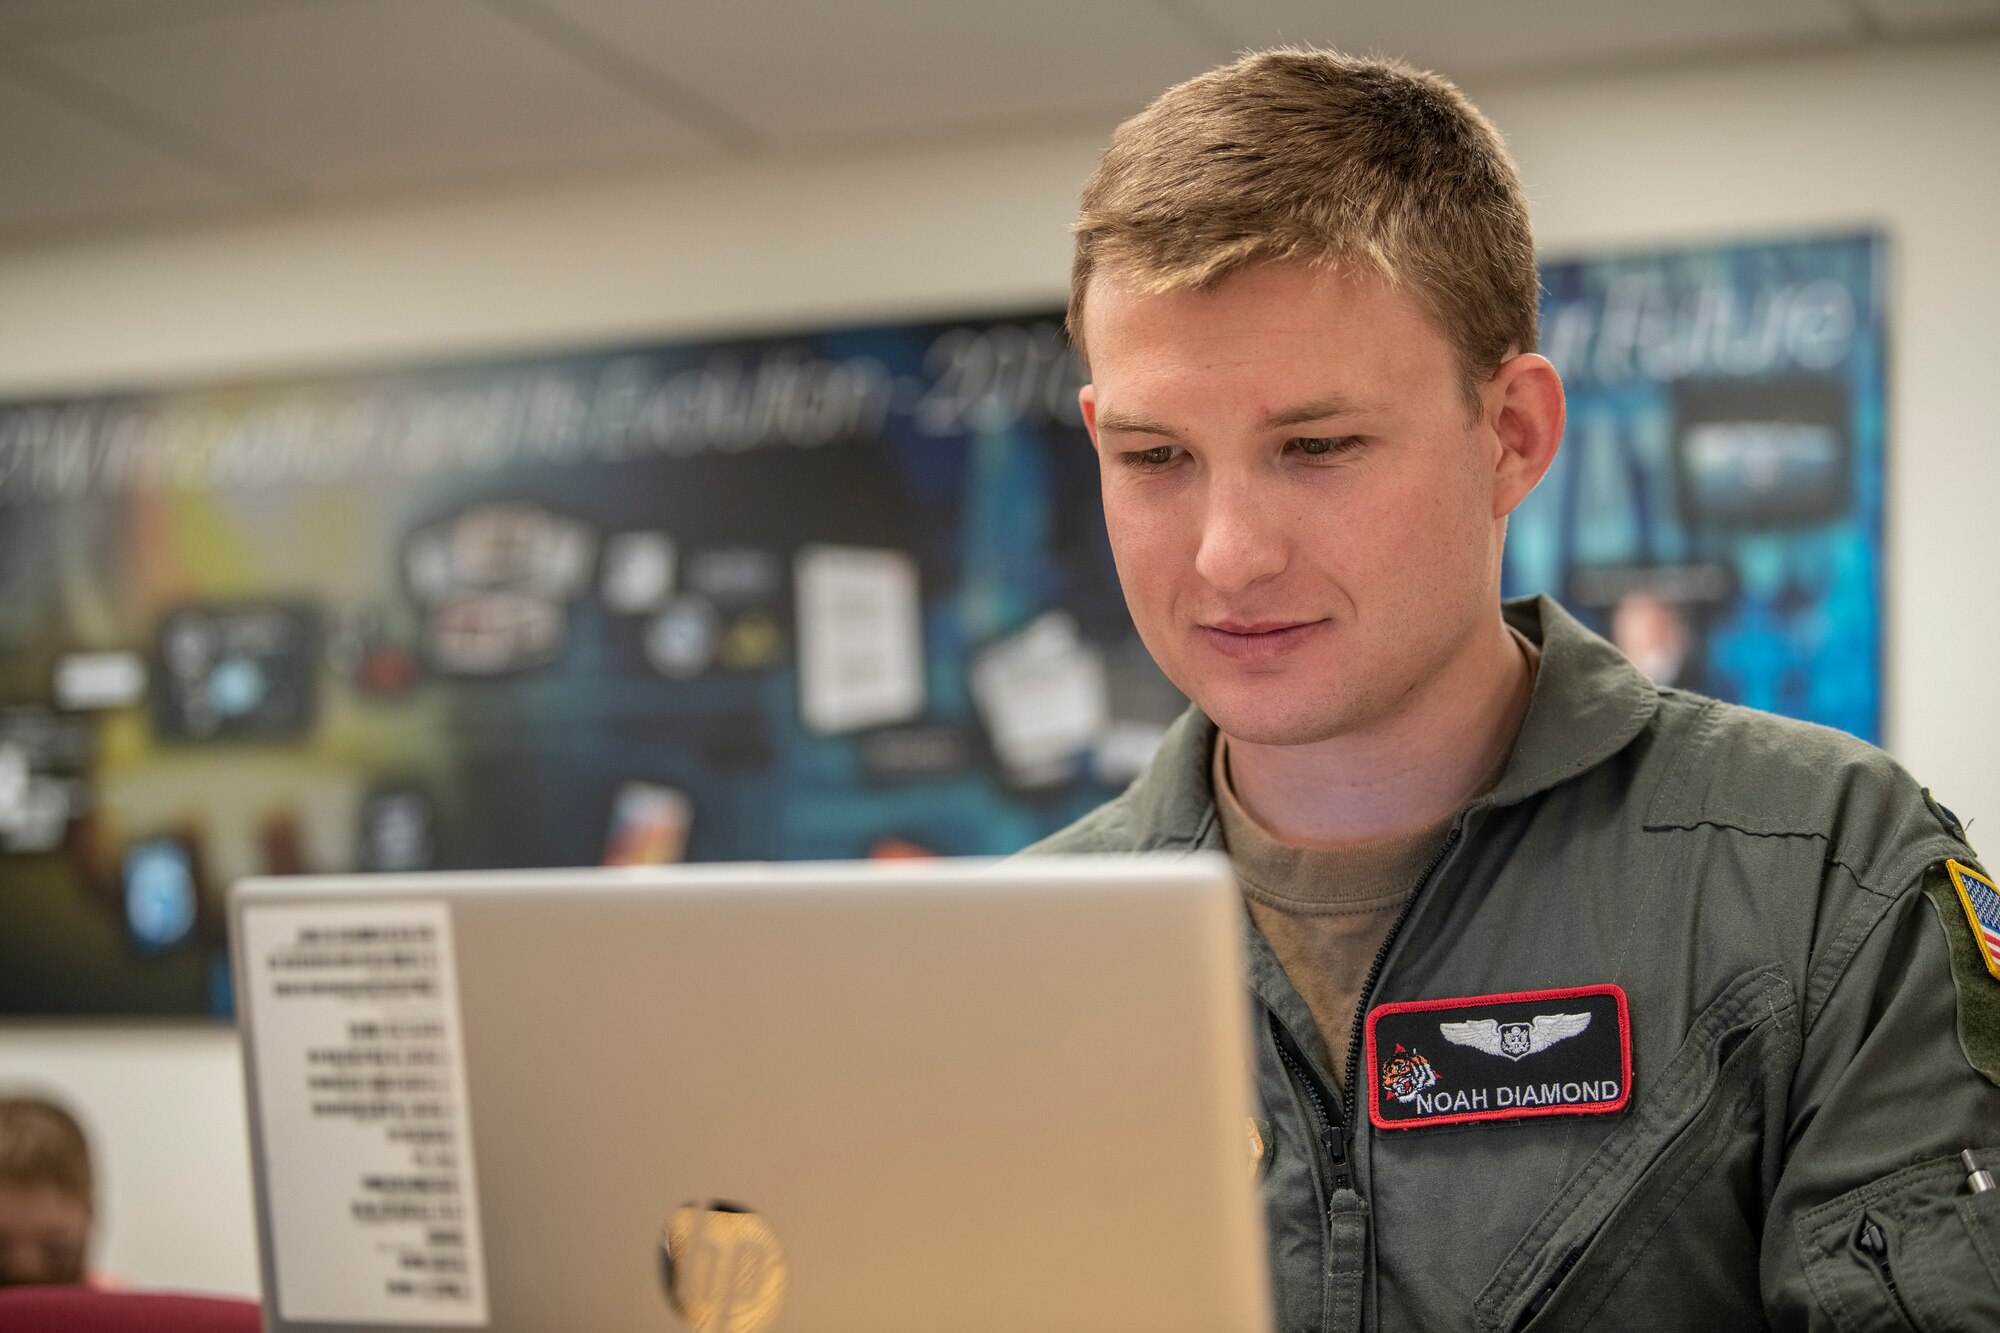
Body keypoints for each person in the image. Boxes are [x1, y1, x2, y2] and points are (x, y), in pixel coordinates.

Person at [1027, 48, 2000, 1331]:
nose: (1224, 554)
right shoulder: (1012, 964)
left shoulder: (1825, 877)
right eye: (1154, 457)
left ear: (1513, 435)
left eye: (1315, 447)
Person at [0, 1095, 95, 1288]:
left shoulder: (128, 1314)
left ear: (90, 1218)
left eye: (57, 1250)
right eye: (1, 1247)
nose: (26, 1268)